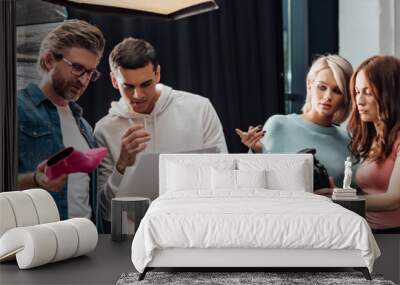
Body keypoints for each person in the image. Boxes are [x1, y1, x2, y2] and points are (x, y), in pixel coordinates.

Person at [94, 37, 227, 223]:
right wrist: (122, 164)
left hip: (196, 223)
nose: (138, 95)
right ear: (114, 80)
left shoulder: (199, 108)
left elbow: (224, 173)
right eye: (128, 86)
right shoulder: (104, 129)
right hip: (134, 235)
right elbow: (105, 210)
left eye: (145, 84)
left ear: (157, 74)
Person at [17, 20, 106, 221]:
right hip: (41, 243)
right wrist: (35, 180)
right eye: (77, 68)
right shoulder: (16, 110)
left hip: (87, 240)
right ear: (49, 60)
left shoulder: (84, 126)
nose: (83, 80)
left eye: (90, 73)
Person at [236, 54, 354, 191]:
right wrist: (255, 151)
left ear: (345, 97)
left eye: (337, 91)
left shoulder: (347, 141)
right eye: (322, 87)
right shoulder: (278, 125)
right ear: (310, 85)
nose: (327, 96)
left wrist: (337, 195)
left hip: (330, 211)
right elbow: (256, 182)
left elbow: (357, 194)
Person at [348, 55, 400, 231]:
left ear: (390, 93)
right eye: (357, 92)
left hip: (393, 237)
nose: (359, 101)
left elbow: (394, 199)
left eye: (368, 92)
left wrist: (340, 199)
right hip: (370, 232)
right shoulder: (374, 138)